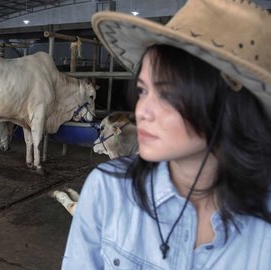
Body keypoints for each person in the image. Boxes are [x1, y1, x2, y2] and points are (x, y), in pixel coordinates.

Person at [62, 0, 271, 269]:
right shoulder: (108, 191)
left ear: (229, 105)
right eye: (143, 90)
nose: (142, 111)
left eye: (168, 94)